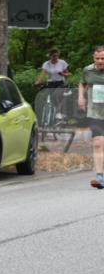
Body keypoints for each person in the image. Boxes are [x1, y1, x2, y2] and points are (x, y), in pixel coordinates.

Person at [77, 45, 104, 189]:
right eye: (97, 58)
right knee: (98, 143)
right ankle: (100, 177)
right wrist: (81, 97)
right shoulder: (88, 70)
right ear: (94, 58)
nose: (100, 61)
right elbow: (82, 83)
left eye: (103, 58)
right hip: (95, 112)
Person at [35, 48, 71, 126]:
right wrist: (38, 82)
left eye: (56, 56)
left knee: (55, 95)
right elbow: (42, 74)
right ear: (50, 56)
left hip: (60, 83)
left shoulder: (62, 63)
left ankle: (59, 113)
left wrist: (63, 74)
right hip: (51, 83)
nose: (55, 57)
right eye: (53, 56)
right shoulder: (46, 64)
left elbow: (68, 74)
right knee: (50, 99)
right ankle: (50, 116)